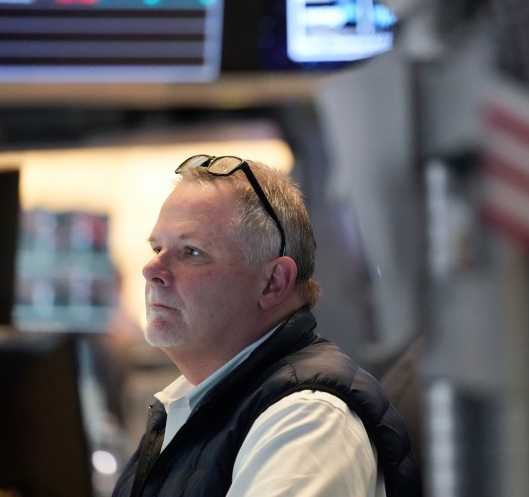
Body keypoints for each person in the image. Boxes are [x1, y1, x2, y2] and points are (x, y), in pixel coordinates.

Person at [112, 155, 421, 497]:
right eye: (157, 247)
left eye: (191, 252)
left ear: (273, 282)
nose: (152, 269)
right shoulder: (191, 403)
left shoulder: (308, 421)